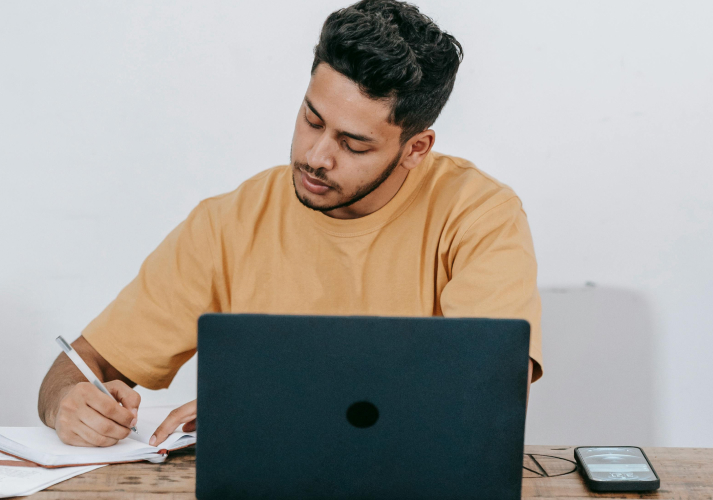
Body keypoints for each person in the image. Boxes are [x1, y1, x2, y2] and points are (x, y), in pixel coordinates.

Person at [38, 0, 543, 448]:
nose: (316, 156)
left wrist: (262, 412)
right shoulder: (229, 222)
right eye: (312, 120)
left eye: (353, 144)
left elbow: (491, 394)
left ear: (416, 149)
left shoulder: (479, 215)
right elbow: (79, 366)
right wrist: (68, 403)